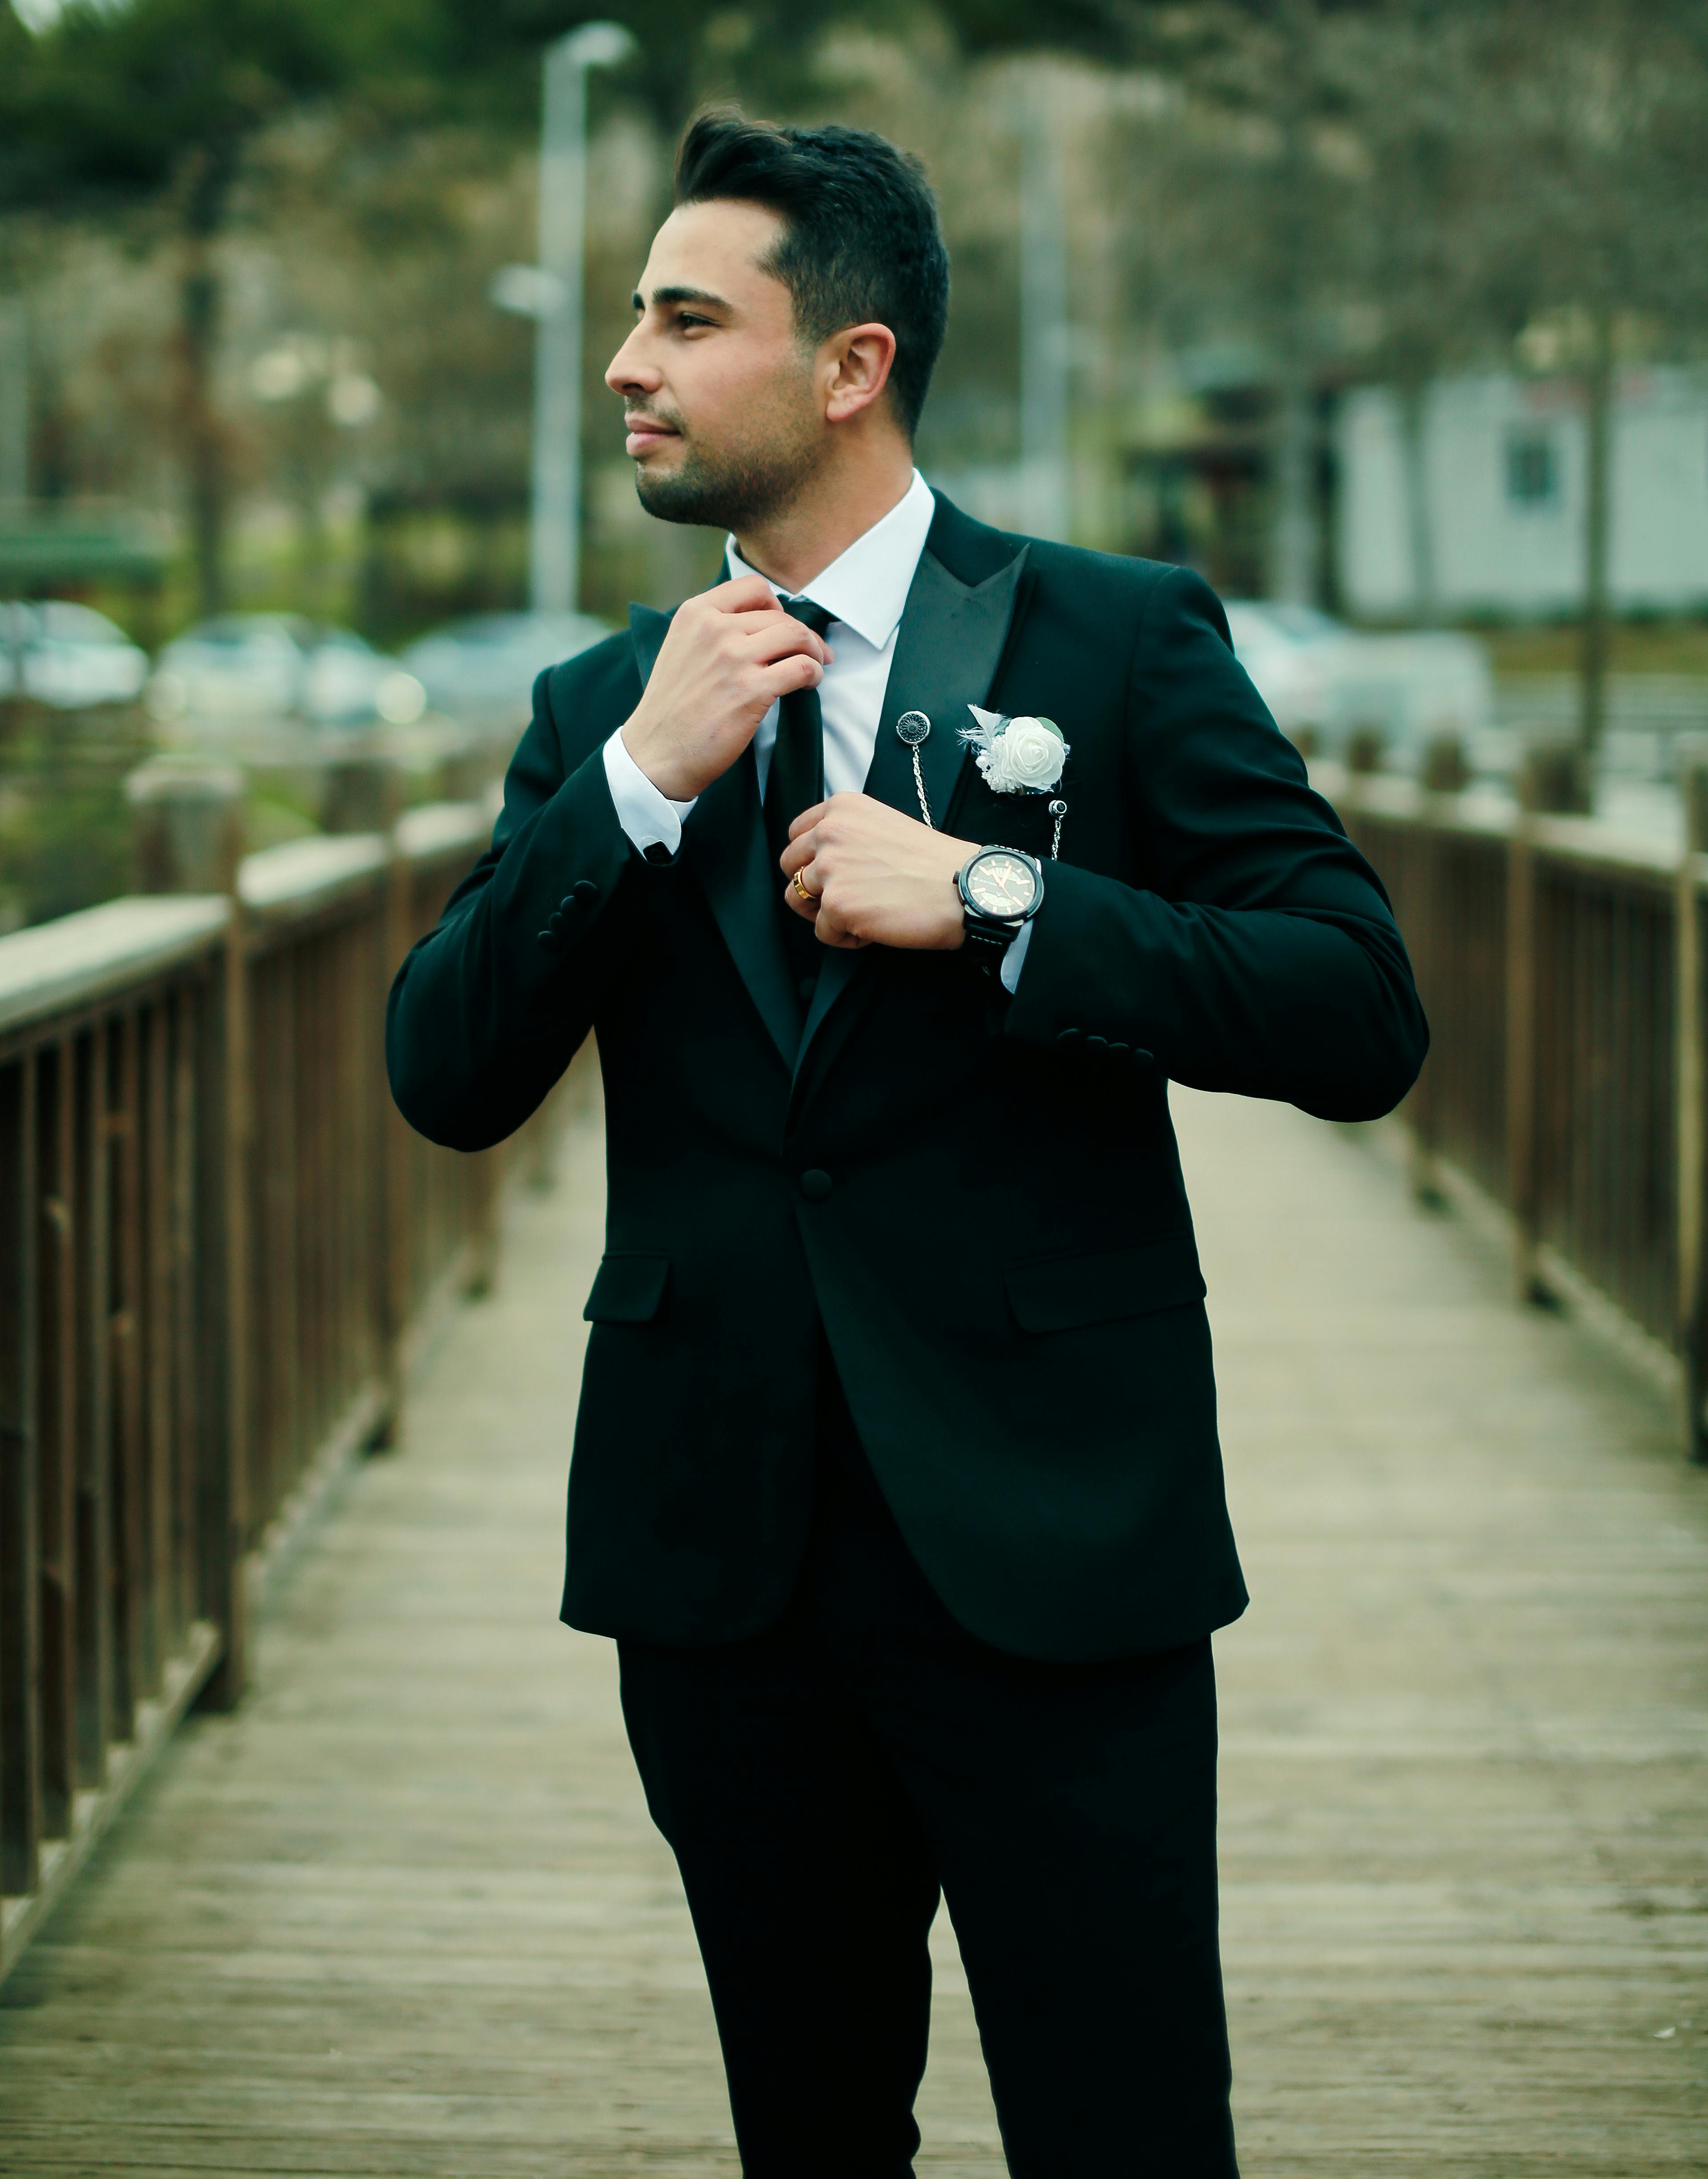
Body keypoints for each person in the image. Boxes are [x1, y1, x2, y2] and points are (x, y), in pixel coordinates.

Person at [386, 113, 1427, 2175]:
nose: (628, 366)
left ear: (850, 365)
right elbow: (447, 1069)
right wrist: (627, 787)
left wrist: (1002, 903)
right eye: (632, 318)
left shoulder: (1111, 638)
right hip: (725, 1564)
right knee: (812, 2135)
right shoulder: (608, 694)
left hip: (1056, 1536)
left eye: (686, 320)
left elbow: (1356, 1006)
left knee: (1126, 2131)